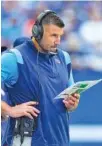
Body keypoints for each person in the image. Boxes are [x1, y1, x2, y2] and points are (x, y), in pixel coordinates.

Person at [1, 10, 80, 146]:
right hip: (23, 141)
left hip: (60, 140)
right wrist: (9, 110)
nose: (58, 41)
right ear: (37, 32)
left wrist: (72, 104)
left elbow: (70, 102)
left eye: (60, 36)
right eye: (53, 35)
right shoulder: (14, 58)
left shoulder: (64, 57)